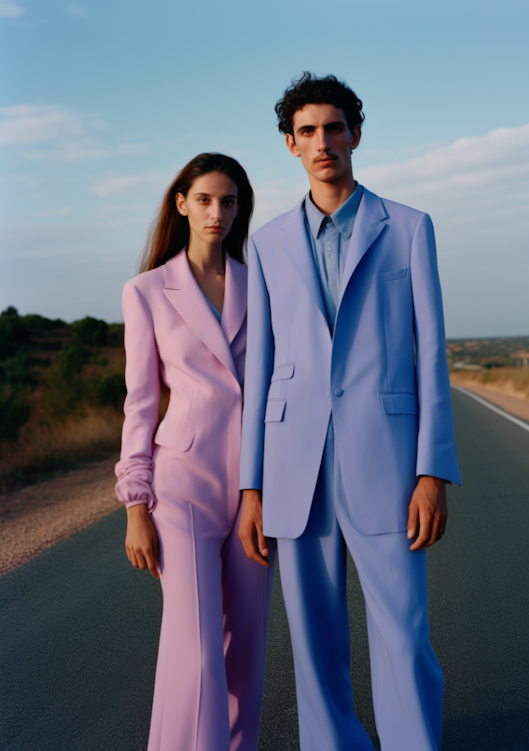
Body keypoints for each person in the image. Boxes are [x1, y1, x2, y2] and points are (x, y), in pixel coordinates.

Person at [238, 73, 461, 750]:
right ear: (290, 144)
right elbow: (261, 368)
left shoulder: (410, 229)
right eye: (307, 131)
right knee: (314, 645)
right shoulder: (268, 242)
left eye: (334, 127)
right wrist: (252, 486)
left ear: (355, 134)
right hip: (293, 466)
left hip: (389, 465)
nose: (323, 142)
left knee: (403, 632)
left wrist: (433, 471)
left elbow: (431, 356)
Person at [115, 153, 274, 751]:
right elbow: (140, 402)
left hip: (254, 489)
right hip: (180, 485)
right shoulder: (148, 291)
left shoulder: (260, 285)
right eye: (205, 199)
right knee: (200, 652)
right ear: (181, 203)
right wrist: (135, 504)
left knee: (246, 654)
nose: (217, 212)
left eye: (229, 202)